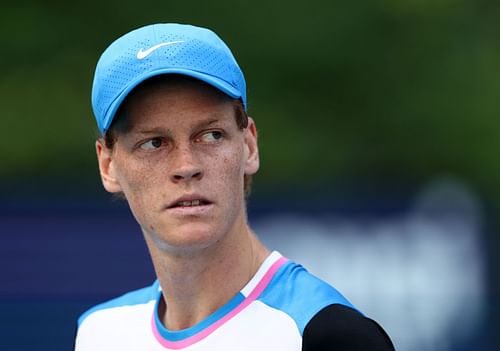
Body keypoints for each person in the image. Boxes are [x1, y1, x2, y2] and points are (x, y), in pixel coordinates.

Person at [74, 23, 395, 351]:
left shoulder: (322, 335)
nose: (186, 166)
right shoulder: (101, 332)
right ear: (108, 165)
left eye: (211, 135)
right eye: (154, 143)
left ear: (249, 146)